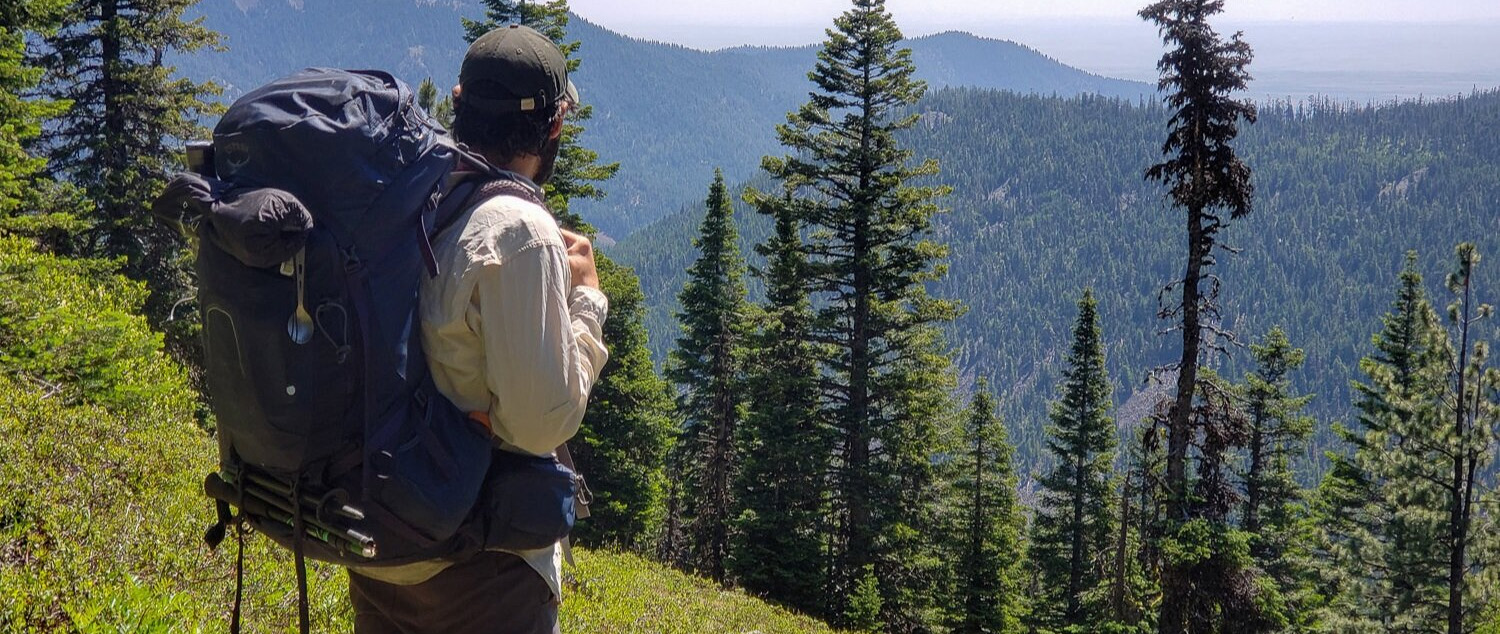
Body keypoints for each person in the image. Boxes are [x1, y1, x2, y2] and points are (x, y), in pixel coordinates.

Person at [345, 24, 609, 634]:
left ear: (459, 106)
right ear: (554, 127)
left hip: (385, 542)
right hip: (477, 567)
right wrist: (588, 302)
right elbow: (542, 419)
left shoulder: (417, 193)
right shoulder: (518, 228)